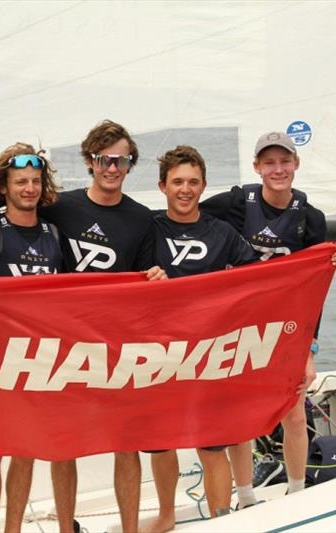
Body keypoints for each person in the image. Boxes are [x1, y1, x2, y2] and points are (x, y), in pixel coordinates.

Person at [0, 120, 166, 533]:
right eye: (103, 159)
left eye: (121, 160)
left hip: (110, 345)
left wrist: (156, 278)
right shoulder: (61, 209)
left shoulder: (140, 219)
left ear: (130, 164)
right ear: (90, 162)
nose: (112, 167)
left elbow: (150, 280)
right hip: (33, 351)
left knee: (122, 443)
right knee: (38, 448)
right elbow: (1, 215)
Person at [199, 131, 336, 510]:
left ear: (296, 164)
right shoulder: (234, 203)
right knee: (240, 417)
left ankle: (297, 494)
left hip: (286, 328)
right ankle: (246, 498)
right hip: (239, 326)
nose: (277, 169)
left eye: (285, 161)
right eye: (269, 162)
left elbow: (315, 288)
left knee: (294, 415)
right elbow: (188, 217)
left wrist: (310, 349)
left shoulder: (311, 218)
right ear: (257, 167)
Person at [143, 145, 260, 532]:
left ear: (204, 185)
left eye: (193, 182)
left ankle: (221, 522)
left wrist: (321, 259)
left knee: (212, 444)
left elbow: (260, 282)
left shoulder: (223, 233)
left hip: (209, 354)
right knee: (160, 444)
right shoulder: (148, 229)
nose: (185, 189)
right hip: (158, 352)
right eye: (177, 181)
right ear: (162, 186)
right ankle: (166, 516)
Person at [0, 143, 62, 533]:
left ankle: (13, 530)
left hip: (37, 358)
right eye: (20, 181)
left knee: (25, 450)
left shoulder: (54, 233)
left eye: (35, 181)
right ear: (3, 188)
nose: (29, 188)